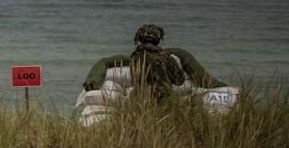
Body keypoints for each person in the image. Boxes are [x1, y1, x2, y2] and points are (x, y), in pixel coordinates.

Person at [82, 24, 221, 100]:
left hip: (140, 100)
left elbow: (105, 62)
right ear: (159, 40)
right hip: (167, 100)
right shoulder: (170, 56)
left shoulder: (133, 59)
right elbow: (179, 81)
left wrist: (93, 81)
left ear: (138, 40)